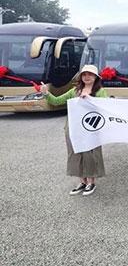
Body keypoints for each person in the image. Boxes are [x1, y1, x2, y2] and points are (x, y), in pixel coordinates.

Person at [40, 64, 107, 196]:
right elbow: (56, 101)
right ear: (81, 77)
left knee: (90, 154)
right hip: (74, 128)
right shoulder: (74, 91)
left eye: (90, 74)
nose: (87, 77)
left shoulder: (100, 91)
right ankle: (82, 181)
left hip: (91, 128)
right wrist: (46, 93)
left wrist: (90, 100)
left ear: (95, 77)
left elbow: (105, 107)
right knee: (75, 154)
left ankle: (91, 182)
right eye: (84, 74)